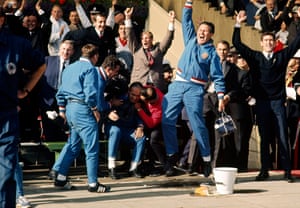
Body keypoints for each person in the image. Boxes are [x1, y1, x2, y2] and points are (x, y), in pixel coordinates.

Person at [232, 10, 300, 182]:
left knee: (283, 136)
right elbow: (237, 43)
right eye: (266, 40)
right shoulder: (255, 57)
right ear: (261, 43)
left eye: (271, 40)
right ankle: (264, 170)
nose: (269, 43)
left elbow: (297, 42)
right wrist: (238, 24)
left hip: (278, 102)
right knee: (264, 137)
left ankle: (287, 171)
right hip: (262, 102)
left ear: (275, 42)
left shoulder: (282, 55)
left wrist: (298, 21)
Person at [161, 0, 225, 177]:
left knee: (197, 126)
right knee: (167, 120)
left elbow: (218, 76)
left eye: (206, 31)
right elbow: (187, 20)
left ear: (211, 35)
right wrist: (189, 2)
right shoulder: (190, 39)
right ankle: (172, 155)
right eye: (201, 30)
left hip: (195, 89)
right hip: (177, 85)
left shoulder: (211, 53)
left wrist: (220, 97)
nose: (202, 33)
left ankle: (205, 160)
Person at [53, 44, 117, 193]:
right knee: (92, 148)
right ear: (95, 57)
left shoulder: (69, 68)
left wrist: (62, 108)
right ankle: (93, 183)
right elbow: (90, 93)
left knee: (74, 145)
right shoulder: (91, 70)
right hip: (83, 110)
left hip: (70, 109)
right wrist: (95, 109)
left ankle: (61, 177)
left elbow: (60, 91)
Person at [0, 7, 46, 207]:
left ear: (1, 20)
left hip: (6, 116)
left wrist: (26, 90)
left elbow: (41, 64)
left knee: (6, 171)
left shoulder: (17, 44)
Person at [212, 40, 253, 172]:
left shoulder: (241, 73)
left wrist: (229, 96)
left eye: (227, 51)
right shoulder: (213, 68)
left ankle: (241, 167)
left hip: (237, 111)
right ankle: (226, 165)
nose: (224, 54)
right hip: (221, 110)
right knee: (225, 141)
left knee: (239, 141)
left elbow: (244, 91)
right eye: (220, 50)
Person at [125, 7, 175, 94]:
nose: (144, 40)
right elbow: (129, 36)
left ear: (152, 40)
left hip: (155, 86)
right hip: (139, 85)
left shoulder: (158, 49)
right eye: (143, 38)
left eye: (147, 38)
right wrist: (128, 18)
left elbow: (168, 39)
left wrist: (171, 22)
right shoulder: (136, 49)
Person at [105, 82, 146, 179]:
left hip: (128, 130)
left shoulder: (139, 103)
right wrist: (109, 111)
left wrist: (140, 126)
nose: (135, 98)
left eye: (138, 95)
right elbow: (103, 105)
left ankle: (134, 167)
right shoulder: (119, 98)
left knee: (141, 137)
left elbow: (140, 117)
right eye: (133, 95)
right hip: (113, 128)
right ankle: (111, 167)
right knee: (116, 131)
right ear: (128, 92)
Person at [39, 40, 75, 142]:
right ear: (59, 49)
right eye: (63, 49)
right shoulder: (48, 60)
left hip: (66, 103)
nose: (65, 52)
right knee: (49, 132)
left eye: (69, 50)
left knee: (62, 132)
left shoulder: (74, 65)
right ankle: (50, 156)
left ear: (72, 52)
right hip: (48, 102)